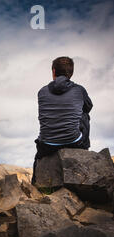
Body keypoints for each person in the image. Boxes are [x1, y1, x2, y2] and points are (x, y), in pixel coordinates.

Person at [31, 56, 93, 185]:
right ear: (71, 73)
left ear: (53, 71)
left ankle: (35, 184)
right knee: (84, 115)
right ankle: (83, 152)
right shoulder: (79, 90)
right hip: (74, 141)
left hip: (47, 143)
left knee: (38, 154)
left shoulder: (42, 91)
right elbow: (88, 107)